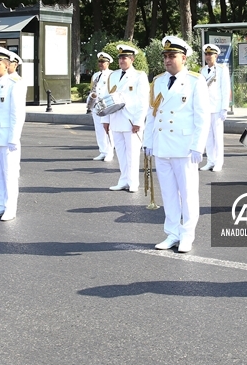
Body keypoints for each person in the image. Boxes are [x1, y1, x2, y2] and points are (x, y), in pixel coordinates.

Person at [144, 36, 210, 253]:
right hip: (162, 145)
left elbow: (202, 117)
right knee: (169, 193)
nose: (167, 60)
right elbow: (152, 114)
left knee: (188, 193)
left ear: (184, 58)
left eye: (172, 56)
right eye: (165, 56)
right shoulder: (158, 81)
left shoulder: (195, 81)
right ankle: (172, 233)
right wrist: (148, 141)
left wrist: (198, 146)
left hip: (184, 146)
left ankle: (187, 234)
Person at [0, 46, 27, 222]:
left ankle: (10, 208)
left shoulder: (14, 84)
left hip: (7, 137)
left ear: (7, 65)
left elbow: (17, 113)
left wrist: (14, 138)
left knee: (9, 175)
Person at [103, 44, 149, 192]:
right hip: (116, 119)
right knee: (121, 153)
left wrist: (138, 122)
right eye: (120, 58)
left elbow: (143, 101)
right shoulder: (113, 75)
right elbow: (107, 98)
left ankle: (133, 182)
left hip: (131, 121)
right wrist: (106, 120)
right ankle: (123, 180)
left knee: (133, 154)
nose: (122, 60)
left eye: (125, 58)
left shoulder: (139, 76)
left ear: (132, 59)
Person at [200, 43, 231, 172]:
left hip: (217, 108)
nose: (208, 56)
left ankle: (219, 162)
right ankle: (210, 161)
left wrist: (224, 108)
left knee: (218, 137)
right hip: (205, 108)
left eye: (210, 54)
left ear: (216, 56)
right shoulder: (202, 71)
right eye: (206, 54)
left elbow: (225, 89)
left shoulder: (222, 70)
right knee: (208, 137)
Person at [87, 52, 114, 162]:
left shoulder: (112, 75)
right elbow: (93, 89)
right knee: (99, 130)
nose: (100, 64)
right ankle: (103, 151)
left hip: (106, 105)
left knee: (108, 129)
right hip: (96, 105)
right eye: (99, 61)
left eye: (103, 62)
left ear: (108, 63)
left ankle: (110, 152)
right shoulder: (95, 75)